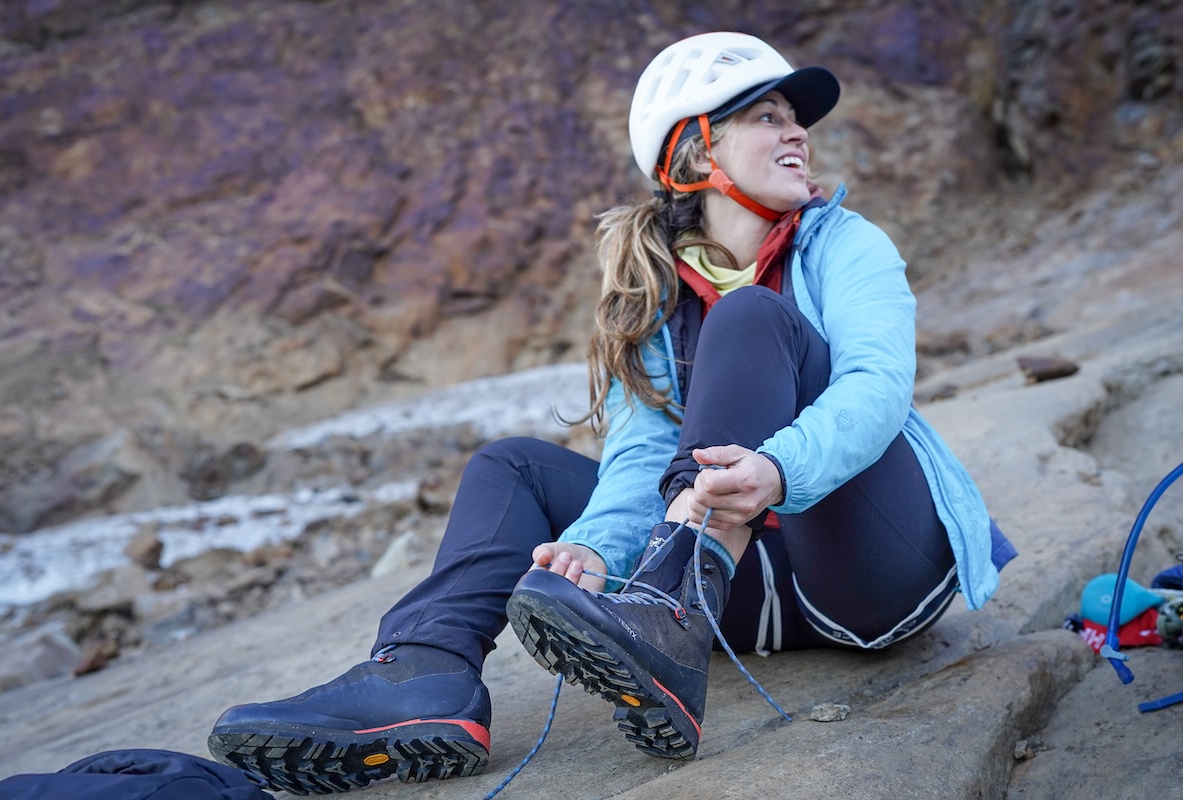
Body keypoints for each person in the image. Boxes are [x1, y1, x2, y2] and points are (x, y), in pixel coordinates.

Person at [207, 31, 1015, 794]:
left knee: (751, 319)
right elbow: (639, 455)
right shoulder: (653, 294)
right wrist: (595, 547)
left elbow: (879, 387)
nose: (797, 133)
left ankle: (668, 600)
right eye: (767, 116)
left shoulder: (845, 244)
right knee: (511, 465)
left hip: (866, 573)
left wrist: (776, 469)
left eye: (797, 119)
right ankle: (424, 673)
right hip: (741, 605)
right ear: (698, 152)